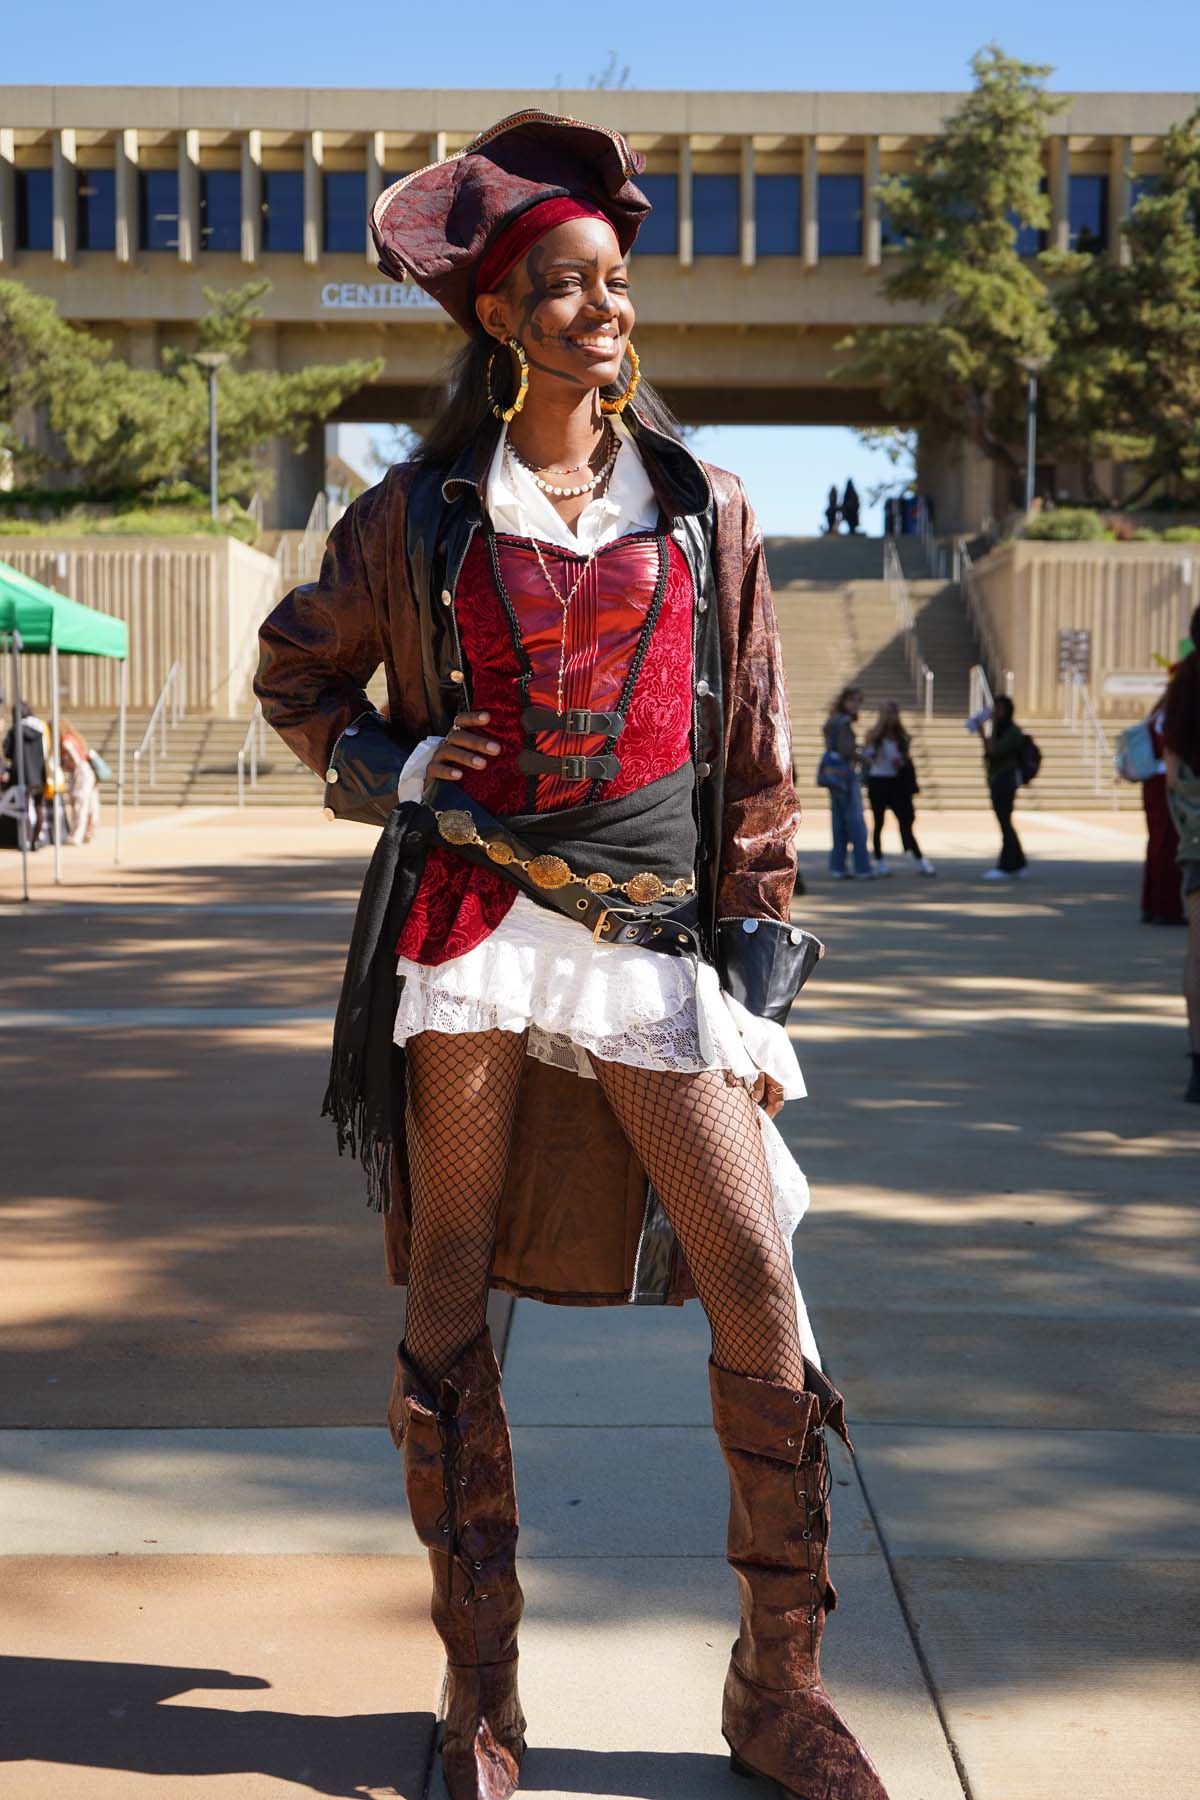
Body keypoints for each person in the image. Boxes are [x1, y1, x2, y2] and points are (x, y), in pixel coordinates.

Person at [255, 112, 888, 1800]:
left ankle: (781, 1689)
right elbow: (296, 680)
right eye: (568, 284)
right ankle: (482, 1693)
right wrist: (391, 773)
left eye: (616, 280)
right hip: (472, 935)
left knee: (754, 1276)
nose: (607, 307)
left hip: (654, 948)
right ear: (502, 320)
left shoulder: (706, 510)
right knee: (447, 1281)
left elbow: (754, 760)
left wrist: (756, 958)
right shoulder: (417, 517)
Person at [1163, 605, 1200, 1103]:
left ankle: (1198, 1065)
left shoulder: (1185, 685)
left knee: (1197, 953)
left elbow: (1170, 773)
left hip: (1197, 838)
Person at [861, 701, 936, 877]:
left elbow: (906, 761)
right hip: (878, 781)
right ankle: (879, 861)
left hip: (897, 783)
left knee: (906, 822)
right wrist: (872, 752)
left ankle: (920, 859)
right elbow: (866, 756)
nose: (890, 717)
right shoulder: (874, 735)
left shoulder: (902, 738)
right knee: (879, 822)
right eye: (887, 713)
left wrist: (901, 761)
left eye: (893, 713)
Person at [1140, 696, 1185, 925]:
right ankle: (1166, 907)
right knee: (1167, 845)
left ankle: (1153, 904)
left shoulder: (1157, 715)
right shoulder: (1170, 716)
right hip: (1165, 782)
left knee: (1158, 844)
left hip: (1154, 782)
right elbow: (1171, 751)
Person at [822, 686, 873, 880]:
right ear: (844, 701)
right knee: (856, 823)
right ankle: (863, 867)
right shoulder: (843, 722)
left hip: (833, 776)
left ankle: (838, 866)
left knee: (839, 822)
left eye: (859, 701)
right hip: (846, 775)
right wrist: (863, 756)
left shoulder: (832, 721)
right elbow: (846, 751)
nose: (856, 705)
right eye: (853, 700)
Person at [981, 695, 1028, 880]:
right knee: (1005, 822)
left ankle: (1006, 864)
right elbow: (988, 752)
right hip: (997, 779)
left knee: (1005, 823)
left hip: (1005, 781)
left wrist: (988, 730)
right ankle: (1018, 861)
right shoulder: (1001, 730)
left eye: (1000, 710)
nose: (997, 714)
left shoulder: (1012, 732)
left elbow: (994, 750)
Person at [2, 702, 48, 851]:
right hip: (39, 774)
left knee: (24, 809)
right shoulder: (40, 729)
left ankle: (26, 840)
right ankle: (36, 840)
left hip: (22, 775)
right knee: (39, 807)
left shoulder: (15, 730)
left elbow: (8, 752)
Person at [60, 719, 100, 845]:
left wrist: (65, 765)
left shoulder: (66, 740)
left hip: (81, 773)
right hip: (89, 771)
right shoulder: (76, 738)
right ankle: (89, 831)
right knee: (89, 804)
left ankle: (77, 835)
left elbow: (75, 759)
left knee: (79, 804)